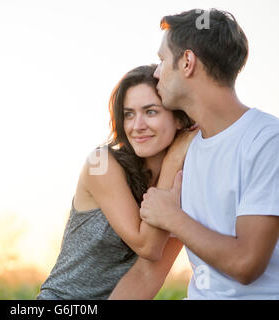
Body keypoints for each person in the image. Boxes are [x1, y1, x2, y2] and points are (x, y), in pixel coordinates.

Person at [111, 9, 279, 300]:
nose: (156, 72)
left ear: (187, 62)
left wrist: (173, 218)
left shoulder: (266, 141)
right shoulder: (181, 153)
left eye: (163, 60)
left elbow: (246, 264)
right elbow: (147, 272)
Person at [36, 64, 196, 300]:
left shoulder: (186, 184)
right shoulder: (100, 163)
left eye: (150, 112)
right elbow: (147, 246)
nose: (136, 126)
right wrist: (173, 159)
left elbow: (149, 274)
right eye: (128, 114)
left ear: (179, 119)